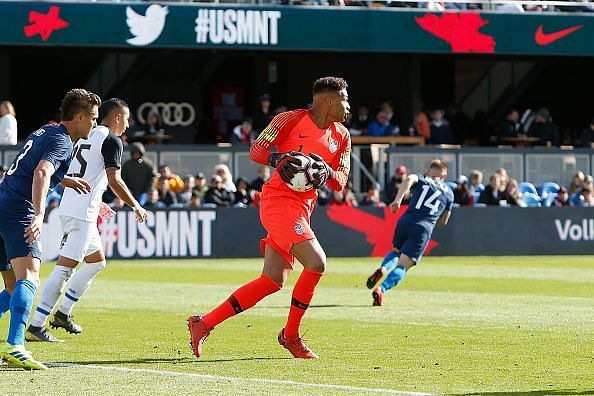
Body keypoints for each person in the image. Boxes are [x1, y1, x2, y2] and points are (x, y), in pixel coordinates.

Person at [187, 77, 351, 359]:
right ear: (329, 101)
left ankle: (204, 324)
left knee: (272, 280)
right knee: (316, 263)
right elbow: (256, 151)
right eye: (345, 99)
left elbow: (341, 181)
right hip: (278, 201)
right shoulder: (289, 119)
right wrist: (279, 159)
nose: (348, 106)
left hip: (303, 209)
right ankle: (290, 336)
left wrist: (325, 170)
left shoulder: (343, 136)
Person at [25, 98, 149, 343]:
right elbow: (115, 179)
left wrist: (97, 201)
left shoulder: (84, 136)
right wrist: (135, 205)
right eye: (126, 119)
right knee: (65, 268)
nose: (127, 124)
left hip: (77, 205)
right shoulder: (112, 140)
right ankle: (36, 325)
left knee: (96, 262)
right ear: (116, 118)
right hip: (81, 212)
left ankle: (63, 312)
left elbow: (83, 172)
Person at [0, 88, 99, 369]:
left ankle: (15, 342)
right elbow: (41, 171)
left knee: (11, 288)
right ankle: (16, 345)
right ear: (79, 117)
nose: (94, 123)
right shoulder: (63, 141)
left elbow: (32, 167)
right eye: (92, 117)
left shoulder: (46, 131)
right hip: (19, 208)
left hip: (3, 200)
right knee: (29, 277)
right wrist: (39, 213)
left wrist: (65, 180)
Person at [366, 159, 453, 306]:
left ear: (429, 171)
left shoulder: (422, 179)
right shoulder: (449, 193)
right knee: (404, 265)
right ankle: (381, 289)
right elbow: (443, 222)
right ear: (444, 175)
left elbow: (409, 178)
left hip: (406, 220)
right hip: (423, 227)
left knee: (396, 251)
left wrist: (397, 200)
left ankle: (384, 267)